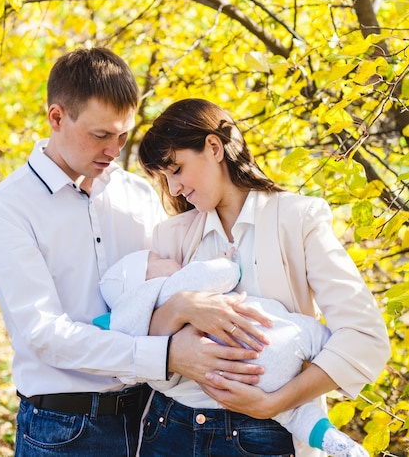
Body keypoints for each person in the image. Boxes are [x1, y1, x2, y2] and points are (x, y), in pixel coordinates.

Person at [0, 50, 269, 457]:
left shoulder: (139, 195)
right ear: (56, 118)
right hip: (64, 430)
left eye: (123, 136)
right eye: (101, 135)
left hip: (156, 422)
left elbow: (177, 281)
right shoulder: (7, 208)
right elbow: (43, 334)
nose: (114, 150)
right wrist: (167, 355)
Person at [136, 97, 391, 457]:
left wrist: (275, 403)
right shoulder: (171, 236)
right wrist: (180, 308)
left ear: (213, 147)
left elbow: (365, 337)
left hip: (268, 432)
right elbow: (141, 342)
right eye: (165, 178)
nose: (174, 189)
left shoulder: (297, 219)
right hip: (170, 428)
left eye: (176, 169)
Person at [94, 250, 369, 457]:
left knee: (292, 414)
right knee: (314, 339)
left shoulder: (134, 329)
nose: (165, 255)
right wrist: (222, 261)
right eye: (155, 257)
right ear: (146, 275)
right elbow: (227, 273)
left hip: (232, 387)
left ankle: (330, 438)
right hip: (275, 338)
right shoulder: (171, 286)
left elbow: (162, 378)